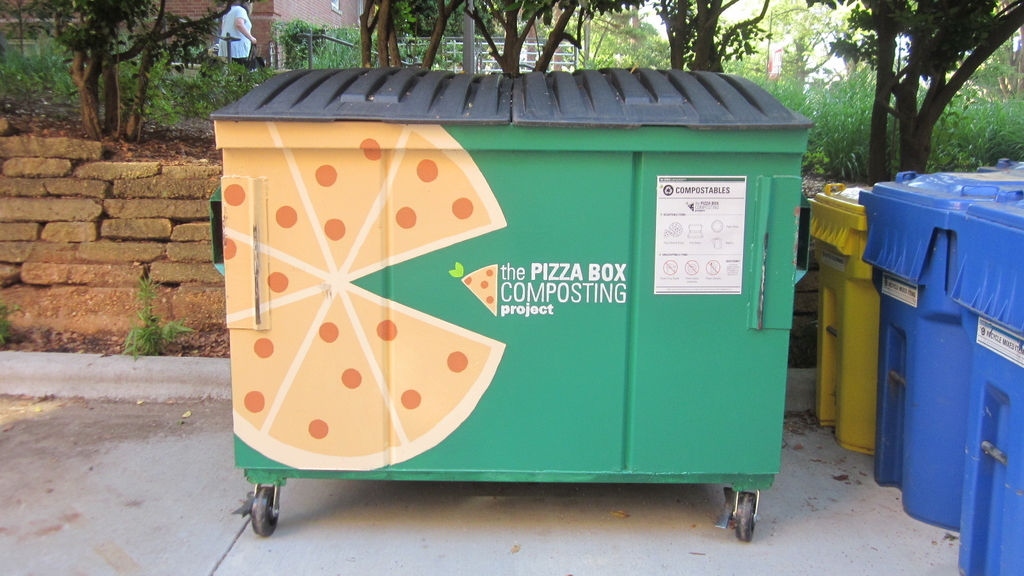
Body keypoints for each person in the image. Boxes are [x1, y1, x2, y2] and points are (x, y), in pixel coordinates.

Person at [219, 1, 257, 68]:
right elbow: (239, 24)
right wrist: (251, 38)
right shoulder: (240, 10)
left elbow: (223, 27)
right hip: (237, 48)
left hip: (226, 45)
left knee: (229, 69)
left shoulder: (228, 11)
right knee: (239, 70)